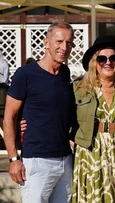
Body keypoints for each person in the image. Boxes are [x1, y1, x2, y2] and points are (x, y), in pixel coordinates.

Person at [2, 22, 75, 202]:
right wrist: (13, 159)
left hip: (65, 160)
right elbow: (9, 117)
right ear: (46, 43)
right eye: (59, 41)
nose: (64, 47)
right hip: (37, 161)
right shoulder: (25, 74)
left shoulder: (65, 73)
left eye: (69, 43)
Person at [72, 36, 115, 202]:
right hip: (90, 152)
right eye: (102, 59)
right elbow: (61, 115)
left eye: (113, 58)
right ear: (95, 62)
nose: (108, 63)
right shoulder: (79, 88)